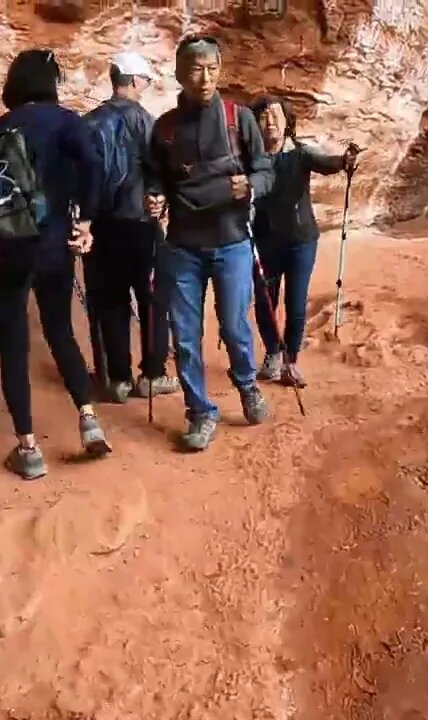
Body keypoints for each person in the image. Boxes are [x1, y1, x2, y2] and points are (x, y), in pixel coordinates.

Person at [144, 36, 275, 451]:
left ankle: (248, 385)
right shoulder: (164, 127)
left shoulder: (239, 119)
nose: (205, 77)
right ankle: (200, 412)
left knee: (235, 327)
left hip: (232, 243)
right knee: (184, 336)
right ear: (180, 73)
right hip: (183, 246)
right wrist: (155, 195)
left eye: (213, 68)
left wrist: (251, 185)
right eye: (196, 69)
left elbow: (266, 170)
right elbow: (155, 176)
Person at [0, 49, 112, 480]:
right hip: (56, 247)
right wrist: (85, 222)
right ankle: (88, 421)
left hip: (10, 252)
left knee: (13, 345)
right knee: (60, 330)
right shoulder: (68, 122)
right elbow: (92, 168)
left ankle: (28, 449)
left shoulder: (3, 127)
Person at [84, 51, 180, 404]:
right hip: (141, 226)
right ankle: (153, 375)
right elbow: (161, 172)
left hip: (100, 227)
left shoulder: (89, 123)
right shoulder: (147, 122)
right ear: (135, 80)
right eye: (146, 81)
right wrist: (159, 197)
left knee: (111, 301)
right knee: (153, 299)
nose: (146, 87)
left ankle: (118, 380)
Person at [248, 94, 358, 388]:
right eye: (263, 117)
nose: (269, 122)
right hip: (265, 243)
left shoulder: (300, 155)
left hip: (300, 242)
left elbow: (327, 162)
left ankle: (291, 361)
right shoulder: (251, 161)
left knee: (296, 303)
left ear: (287, 123)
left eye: (275, 116)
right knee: (264, 302)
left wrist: (345, 161)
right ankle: (272, 351)